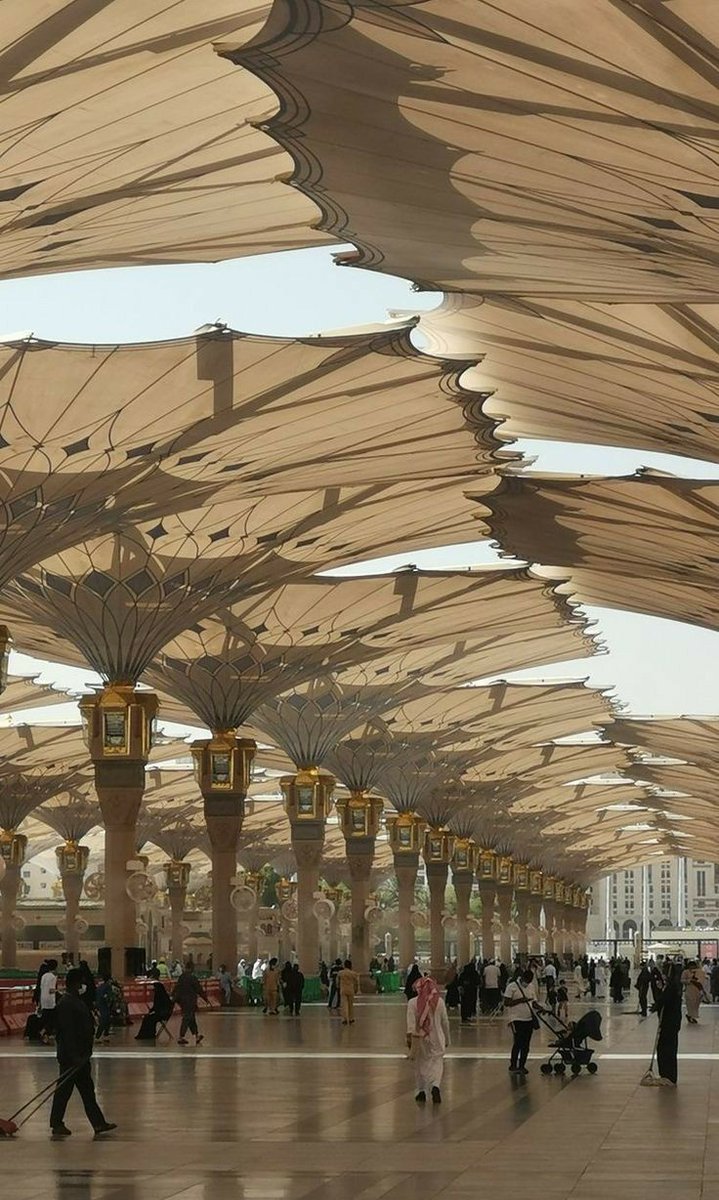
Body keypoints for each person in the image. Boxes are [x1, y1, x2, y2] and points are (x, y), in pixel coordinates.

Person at [49, 967, 116, 1138]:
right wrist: (74, 1056)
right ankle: (56, 1123)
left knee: (87, 1091)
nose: (83, 985)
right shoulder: (66, 1004)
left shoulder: (75, 1001)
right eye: (81, 982)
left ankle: (98, 1123)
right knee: (64, 1091)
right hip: (72, 1057)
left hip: (81, 1056)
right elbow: (67, 1033)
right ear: (75, 983)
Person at [406, 975, 450, 1104]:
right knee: (437, 1062)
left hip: (420, 1038)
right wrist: (447, 1038)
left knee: (420, 1063)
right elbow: (445, 1022)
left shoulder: (412, 1003)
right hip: (437, 1038)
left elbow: (410, 1024)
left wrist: (410, 1038)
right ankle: (435, 1085)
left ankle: (421, 1091)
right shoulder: (439, 1002)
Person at [651, 963, 683, 1086]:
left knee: (665, 1048)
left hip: (669, 1022)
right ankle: (667, 1075)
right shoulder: (672, 986)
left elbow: (664, 1000)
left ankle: (668, 1075)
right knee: (667, 1048)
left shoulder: (671, 987)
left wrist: (656, 1005)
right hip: (671, 1022)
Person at [504, 968, 539, 1075]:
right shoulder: (512, 986)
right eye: (526, 981)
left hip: (528, 1019)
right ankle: (513, 1065)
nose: (527, 983)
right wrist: (521, 1000)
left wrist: (540, 1008)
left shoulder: (531, 986)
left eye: (529, 981)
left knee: (526, 1044)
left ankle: (522, 1065)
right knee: (518, 1042)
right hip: (516, 1019)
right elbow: (506, 1002)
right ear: (522, 977)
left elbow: (533, 1002)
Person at [172, 963, 206, 1045]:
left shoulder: (181, 977)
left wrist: (173, 996)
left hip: (182, 1001)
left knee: (191, 1018)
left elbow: (177, 987)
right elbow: (198, 989)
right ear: (191, 968)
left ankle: (197, 1035)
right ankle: (181, 1036)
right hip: (190, 1001)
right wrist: (205, 998)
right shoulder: (193, 978)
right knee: (187, 1018)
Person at [39, 958, 59, 1044]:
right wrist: (59, 991)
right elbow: (51, 990)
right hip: (50, 1001)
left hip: (43, 999)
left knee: (46, 1018)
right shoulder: (53, 977)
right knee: (52, 1019)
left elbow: (41, 988)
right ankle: (44, 1032)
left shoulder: (43, 976)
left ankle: (45, 1035)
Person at [337, 959, 360, 1025]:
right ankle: (351, 1018)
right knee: (350, 1005)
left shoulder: (340, 973)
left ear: (344, 965)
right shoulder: (353, 973)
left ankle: (344, 1019)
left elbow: (337, 981)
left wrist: (338, 987)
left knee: (344, 1005)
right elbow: (356, 982)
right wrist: (356, 989)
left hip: (343, 990)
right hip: (350, 989)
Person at [94, 973, 113, 1044]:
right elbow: (109, 997)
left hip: (100, 1005)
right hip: (104, 1006)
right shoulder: (108, 987)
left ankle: (104, 1036)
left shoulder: (100, 987)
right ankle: (99, 1036)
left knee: (106, 1020)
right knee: (105, 1021)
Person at [459, 959, 479, 1024]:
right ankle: (469, 1015)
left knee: (464, 1004)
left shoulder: (463, 974)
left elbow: (459, 982)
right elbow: (478, 982)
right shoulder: (474, 973)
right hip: (472, 991)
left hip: (464, 992)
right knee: (471, 1002)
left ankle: (464, 1016)